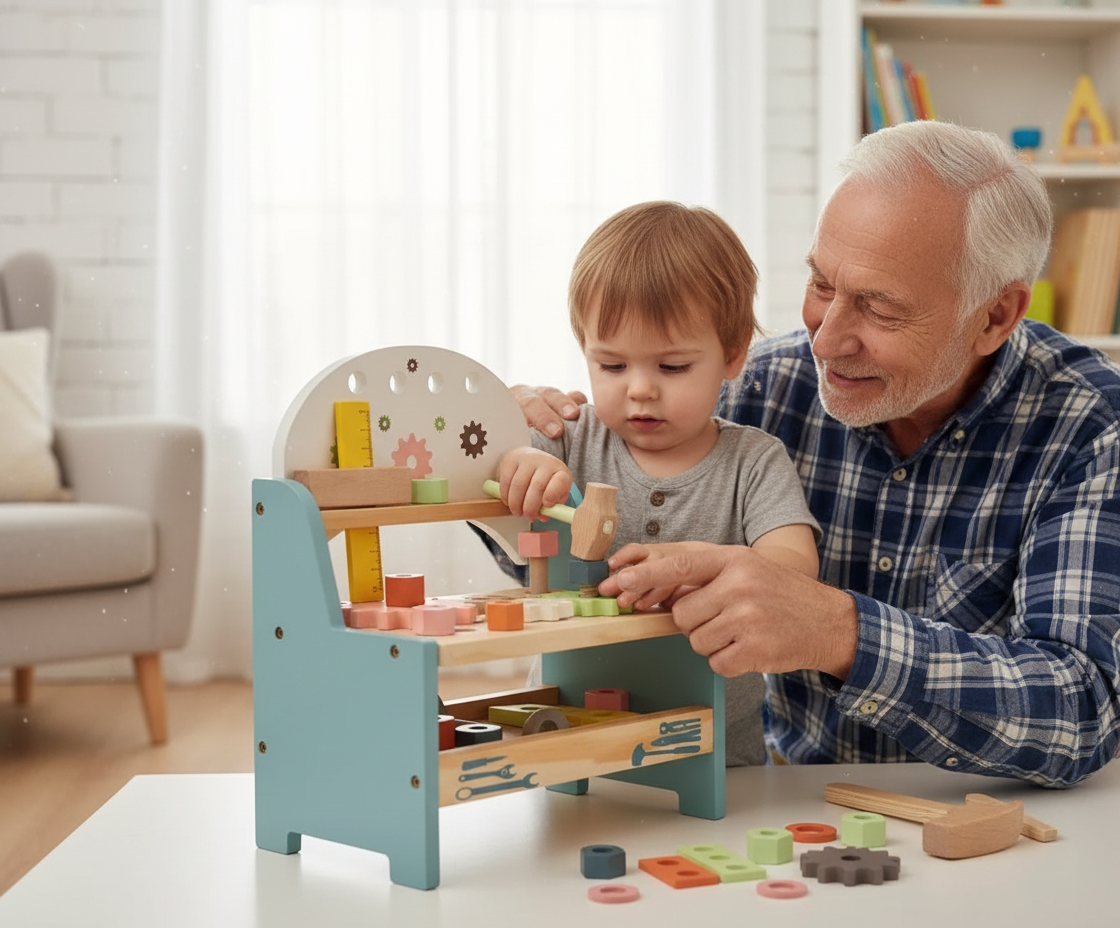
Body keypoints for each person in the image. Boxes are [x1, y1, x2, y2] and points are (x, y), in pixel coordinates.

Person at [512, 121, 1120, 788]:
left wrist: (838, 633)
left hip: (985, 815)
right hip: (781, 802)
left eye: (879, 309)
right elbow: (576, 561)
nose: (825, 342)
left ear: (995, 317)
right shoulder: (758, 388)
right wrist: (519, 461)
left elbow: (1082, 707)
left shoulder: (1090, 427)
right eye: (822, 284)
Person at [495, 200, 821, 766]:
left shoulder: (755, 460)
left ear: (734, 353)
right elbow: (483, 475)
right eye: (612, 366)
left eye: (672, 367)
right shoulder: (569, 436)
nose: (640, 389)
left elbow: (794, 569)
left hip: (719, 752)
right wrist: (518, 461)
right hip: (568, 737)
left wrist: (706, 570)